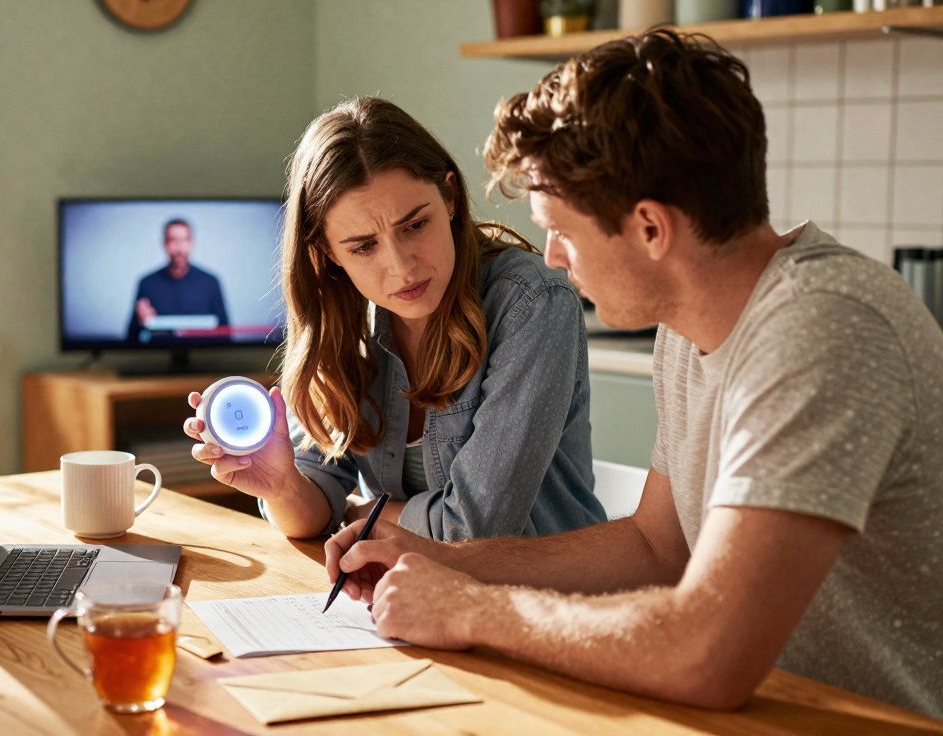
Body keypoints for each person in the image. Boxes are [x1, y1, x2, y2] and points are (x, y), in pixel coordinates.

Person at [323, 30, 943, 717]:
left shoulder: (823, 328)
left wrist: (475, 608)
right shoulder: (688, 327)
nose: (554, 259)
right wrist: (437, 560)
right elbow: (656, 547)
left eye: (562, 229)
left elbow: (708, 653)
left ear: (650, 228)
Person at [183, 97, 605, 542]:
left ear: (451, 198)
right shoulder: (345, 321)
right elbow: (315, 509)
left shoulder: (532, 303)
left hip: (541, 597)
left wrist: (362, 514)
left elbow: (476, 529)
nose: (402, 268)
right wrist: (284, 485)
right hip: (411, 594)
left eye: (415, 225)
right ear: (329, 253)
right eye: (363, 247)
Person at [127, 218, 228, 342]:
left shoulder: (210, 282)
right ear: (164, 243)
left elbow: (225, 337)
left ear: (192, 242)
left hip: (202, 358)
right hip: (159, 358)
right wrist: (142, 324)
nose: (180, 248)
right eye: (173, 240)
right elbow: (130, 340)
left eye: (185, 240)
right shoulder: (147, 283)